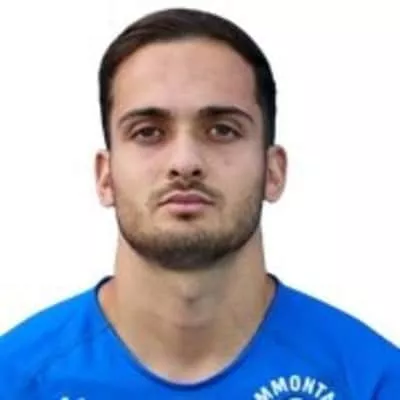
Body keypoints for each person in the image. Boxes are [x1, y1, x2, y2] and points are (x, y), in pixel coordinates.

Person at [0, 7, 399, 399]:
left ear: (273, 171)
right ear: (105, 177)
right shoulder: (14, 379)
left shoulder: (373, 382)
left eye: (222, 130)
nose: (185, 162)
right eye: (148, 132)